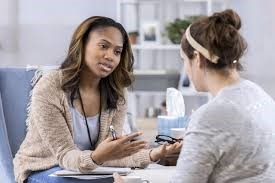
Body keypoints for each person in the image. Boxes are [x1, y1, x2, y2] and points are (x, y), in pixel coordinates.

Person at [13, 16, 182, 183]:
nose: (110, 56)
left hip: (90, 170)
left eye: (117, 51)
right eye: (103, 46)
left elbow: (109, 156)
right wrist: (97, 156)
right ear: (82, 45)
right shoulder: (50, 87)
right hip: (43, 168)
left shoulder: (117, 92)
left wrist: (154, 154)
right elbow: (65, 155)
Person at [114, 9, 275, 183]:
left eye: (184, 60)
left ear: (197, 58)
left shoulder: (211, 114)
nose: (186, 69)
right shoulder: (260, 96)